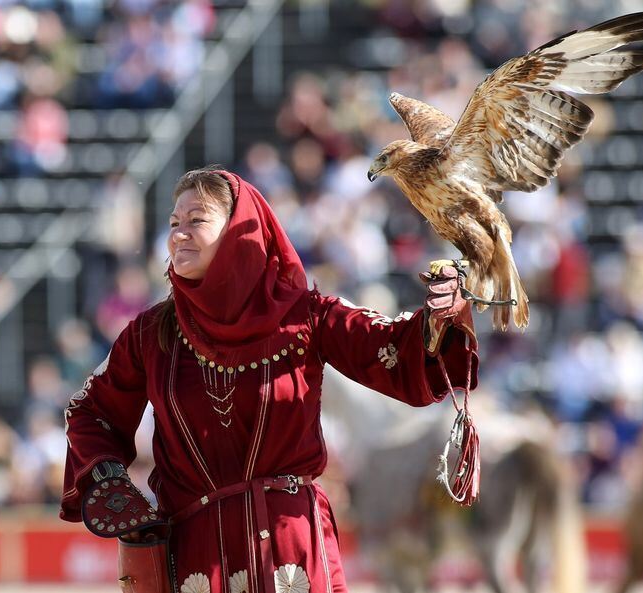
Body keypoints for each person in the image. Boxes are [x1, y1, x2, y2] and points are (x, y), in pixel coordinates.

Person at [60, 167, 479, 593]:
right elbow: (91, 410)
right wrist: (109, 480)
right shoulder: (152, 333)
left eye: (196, 220)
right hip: (197, 560)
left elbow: (391, 352)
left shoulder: (306, 316)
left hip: (290, 553)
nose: (178, 235)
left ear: (240, 231)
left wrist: (439, 315)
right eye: (173, 223)